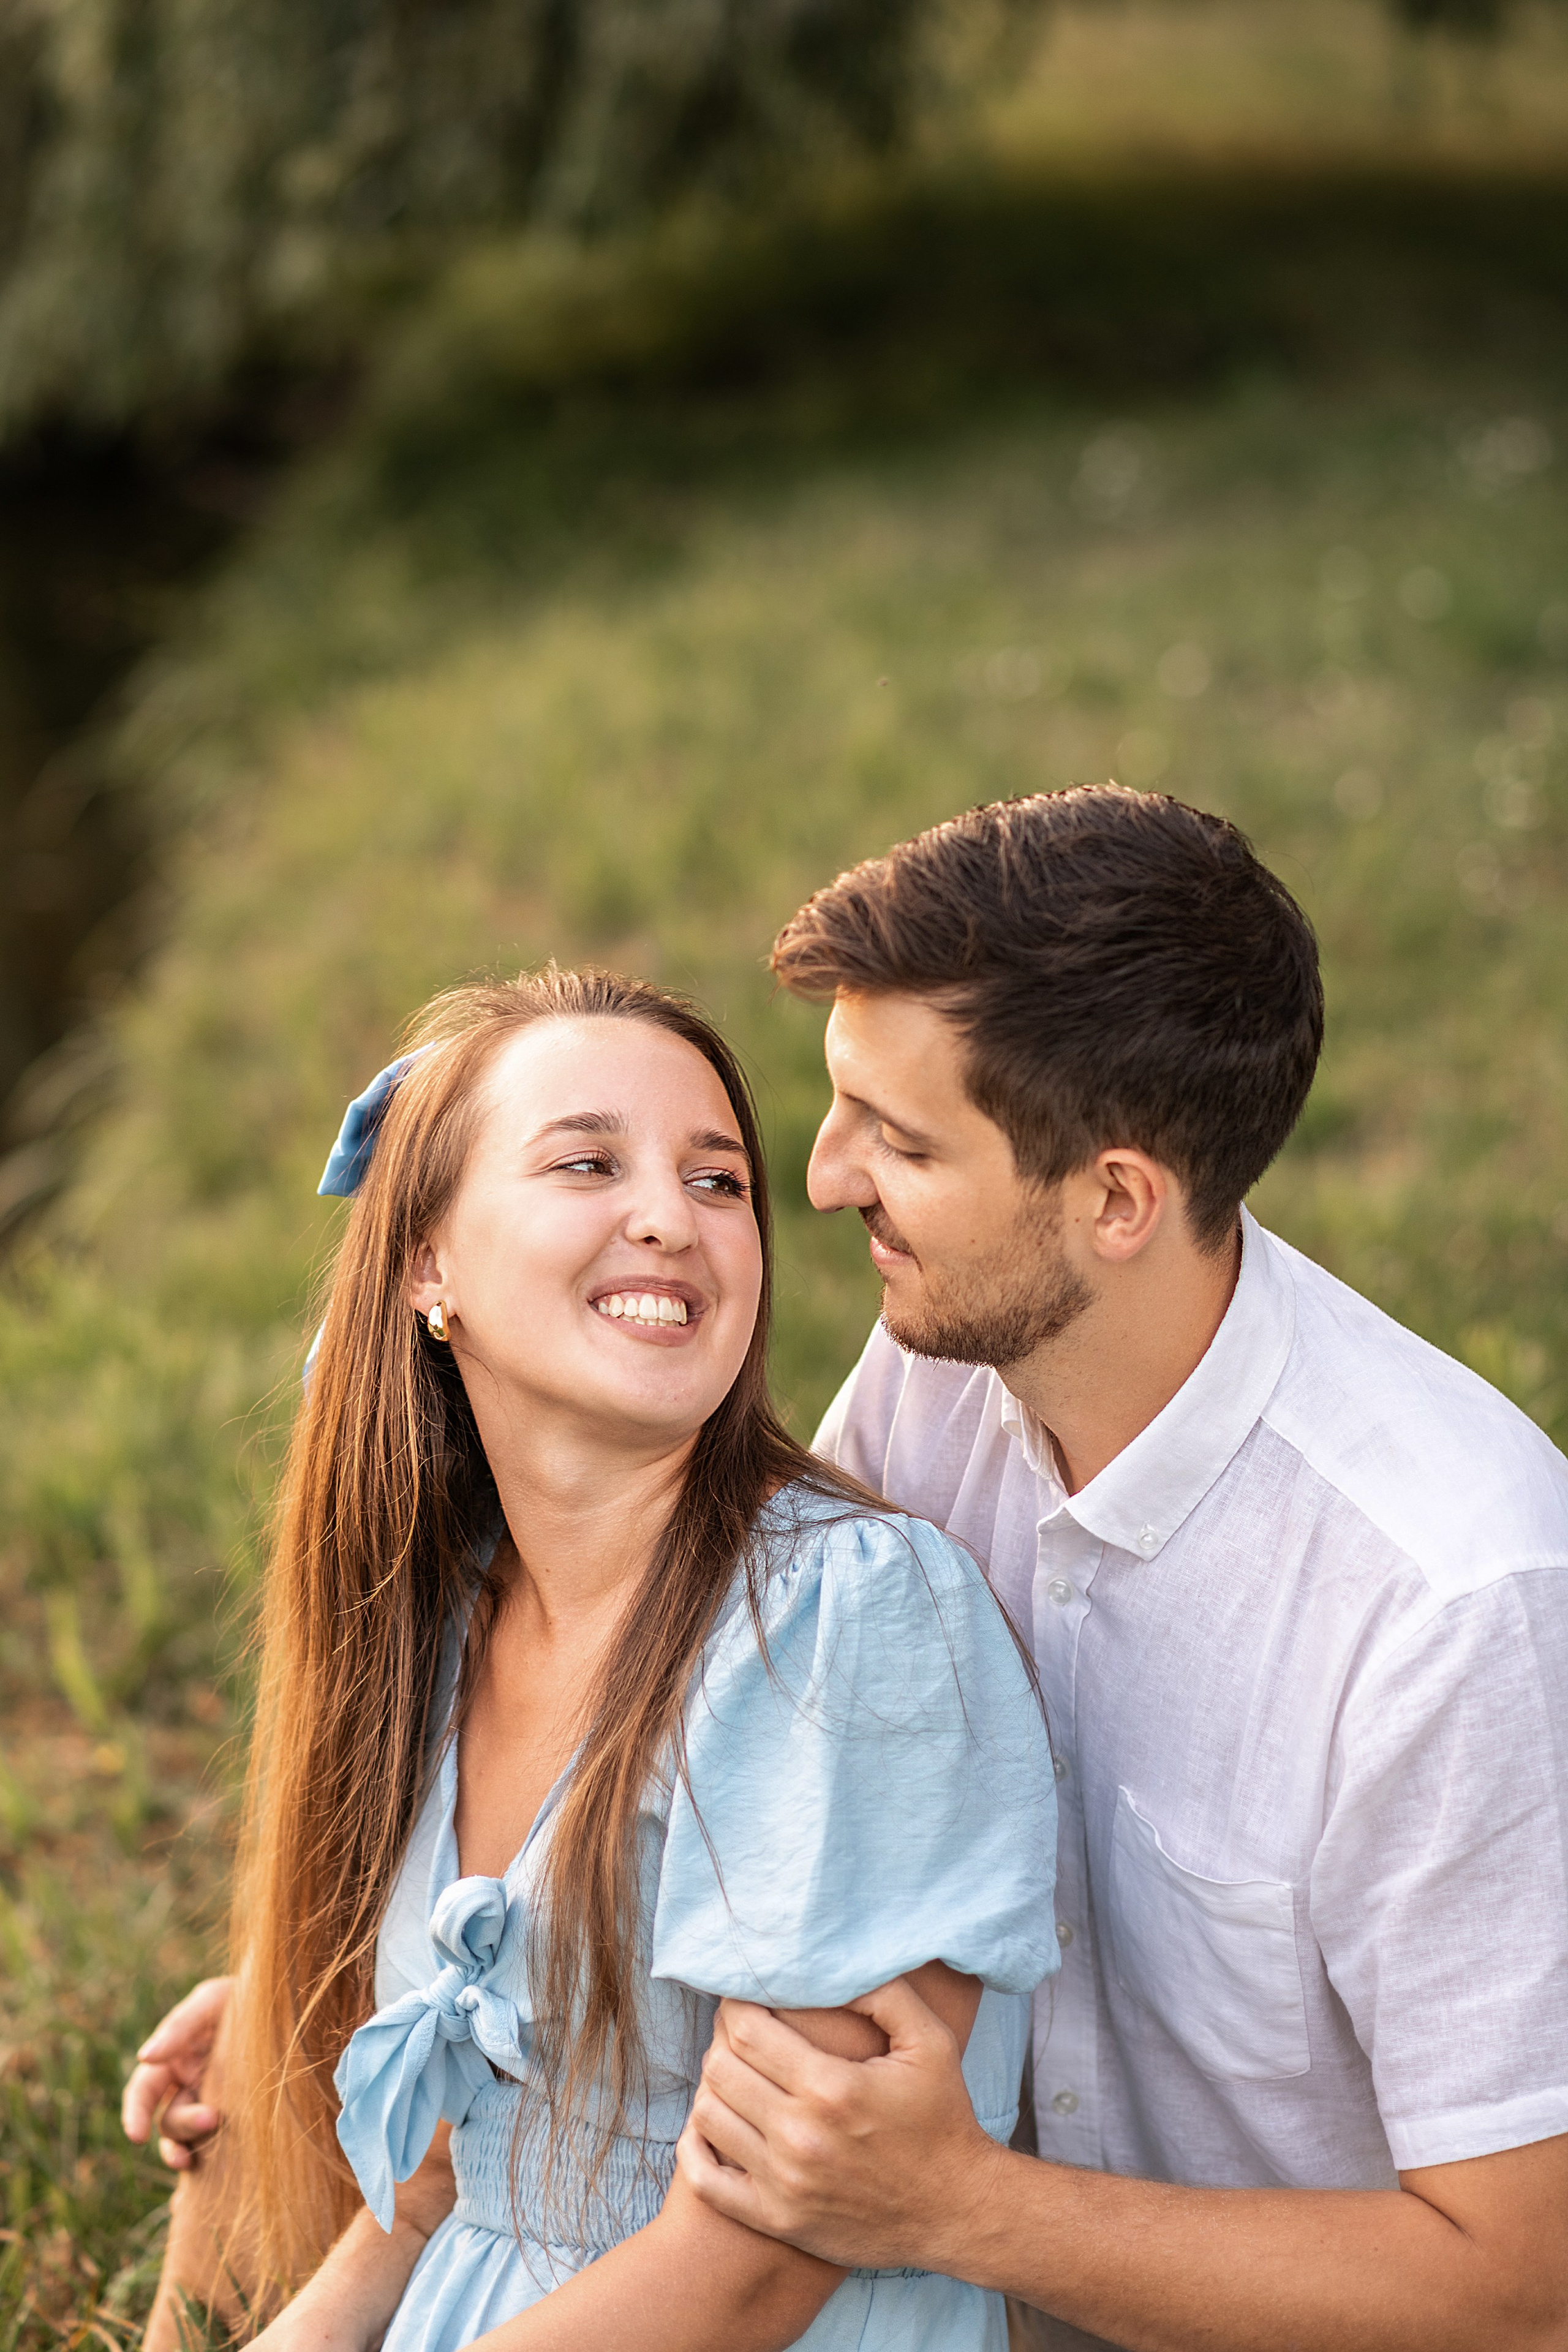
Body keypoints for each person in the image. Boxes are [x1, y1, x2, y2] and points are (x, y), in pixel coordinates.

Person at [675, 788, 1568, 2351]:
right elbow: (746, 1733)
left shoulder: (1451, 1607)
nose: (820, 1182)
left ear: (1113, 1200)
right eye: (841, 1108)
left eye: (899, 1139)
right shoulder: (936, 1363)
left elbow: (1518, 2286)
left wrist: (958, 2209)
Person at [129, 965, 1058, 2352]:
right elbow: (452, 2178)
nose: (665, 1220)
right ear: (426, 1264)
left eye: (716, 1182)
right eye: (586, 1161)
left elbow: (762, 2258)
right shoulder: (443, 1620)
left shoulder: (837, 1623)